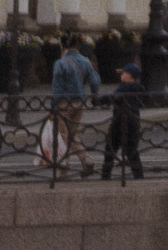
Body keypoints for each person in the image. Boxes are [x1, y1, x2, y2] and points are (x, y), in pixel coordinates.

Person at [47, 36, 103, 177]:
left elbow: (57, 87)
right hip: (80, 102)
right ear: (77, 46)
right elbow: (95, 81)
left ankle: (64, 168)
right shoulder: (85, 61)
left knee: (62, 135)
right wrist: (95, 97)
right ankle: (86, 159)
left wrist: (53, 106)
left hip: (64, 103)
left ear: (62, 46)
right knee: (70, 134)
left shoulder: (60, 63)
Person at [101, 62, 146, 180]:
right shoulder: (139, 89)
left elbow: (115, 98)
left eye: (124, 73)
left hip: (120, 121)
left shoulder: (124, 88)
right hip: (133, 121)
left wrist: (101, 100)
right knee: (131, 150)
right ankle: (138, 174)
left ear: (130, 75)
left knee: (110, 148)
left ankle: (105, 174)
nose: (121, 75)